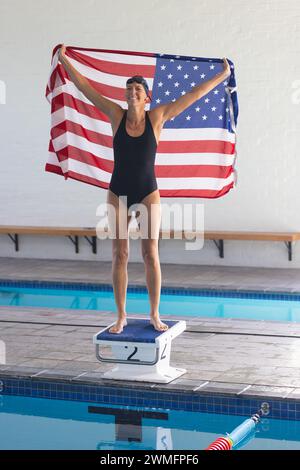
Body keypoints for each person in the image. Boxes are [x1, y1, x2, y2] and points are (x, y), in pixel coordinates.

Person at [58, 45, 231, 333]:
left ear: (146, 95)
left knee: (150, 253)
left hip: (148, 191)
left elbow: (193, 96)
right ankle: (121, 315)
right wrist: (64, 60)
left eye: (137, 89)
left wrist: (222, 74)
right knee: (119, 254)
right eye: (129, 89)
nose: (132, 93)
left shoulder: (157, 117)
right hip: (118, 192)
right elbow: (85, 88)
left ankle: (154, 313)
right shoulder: (116, 115)